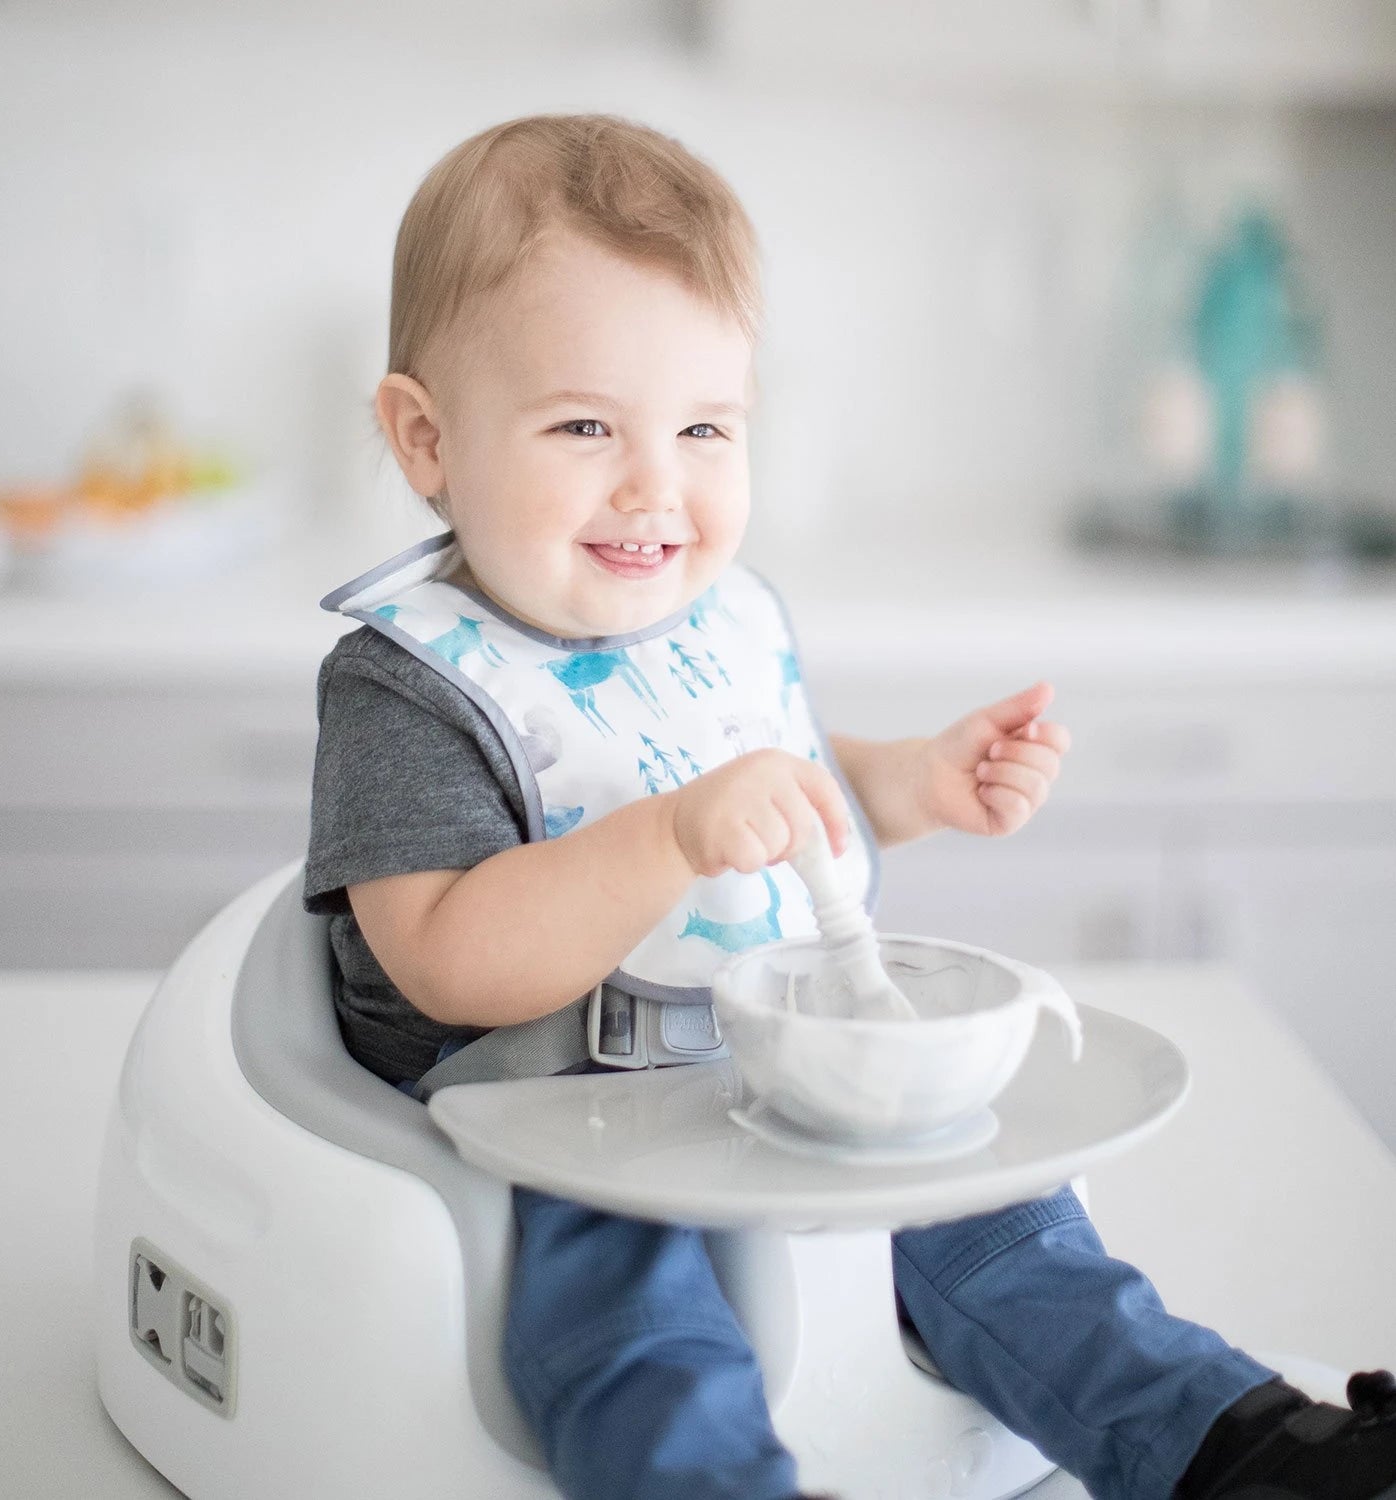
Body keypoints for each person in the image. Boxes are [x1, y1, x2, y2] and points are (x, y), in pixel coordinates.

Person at [303, 113, 1396, 1500]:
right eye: (583, 426)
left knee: (1007, 1227)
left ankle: (1238, 1443)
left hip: (765, 1069)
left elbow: (785, 791)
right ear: (425, 439)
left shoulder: (712, 621)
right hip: (547, 1117)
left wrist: (909, 784)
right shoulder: (409, 688)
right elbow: (449, 960)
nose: (655, 485)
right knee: (639, 1328)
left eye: (705, 428)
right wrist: (667, 837)